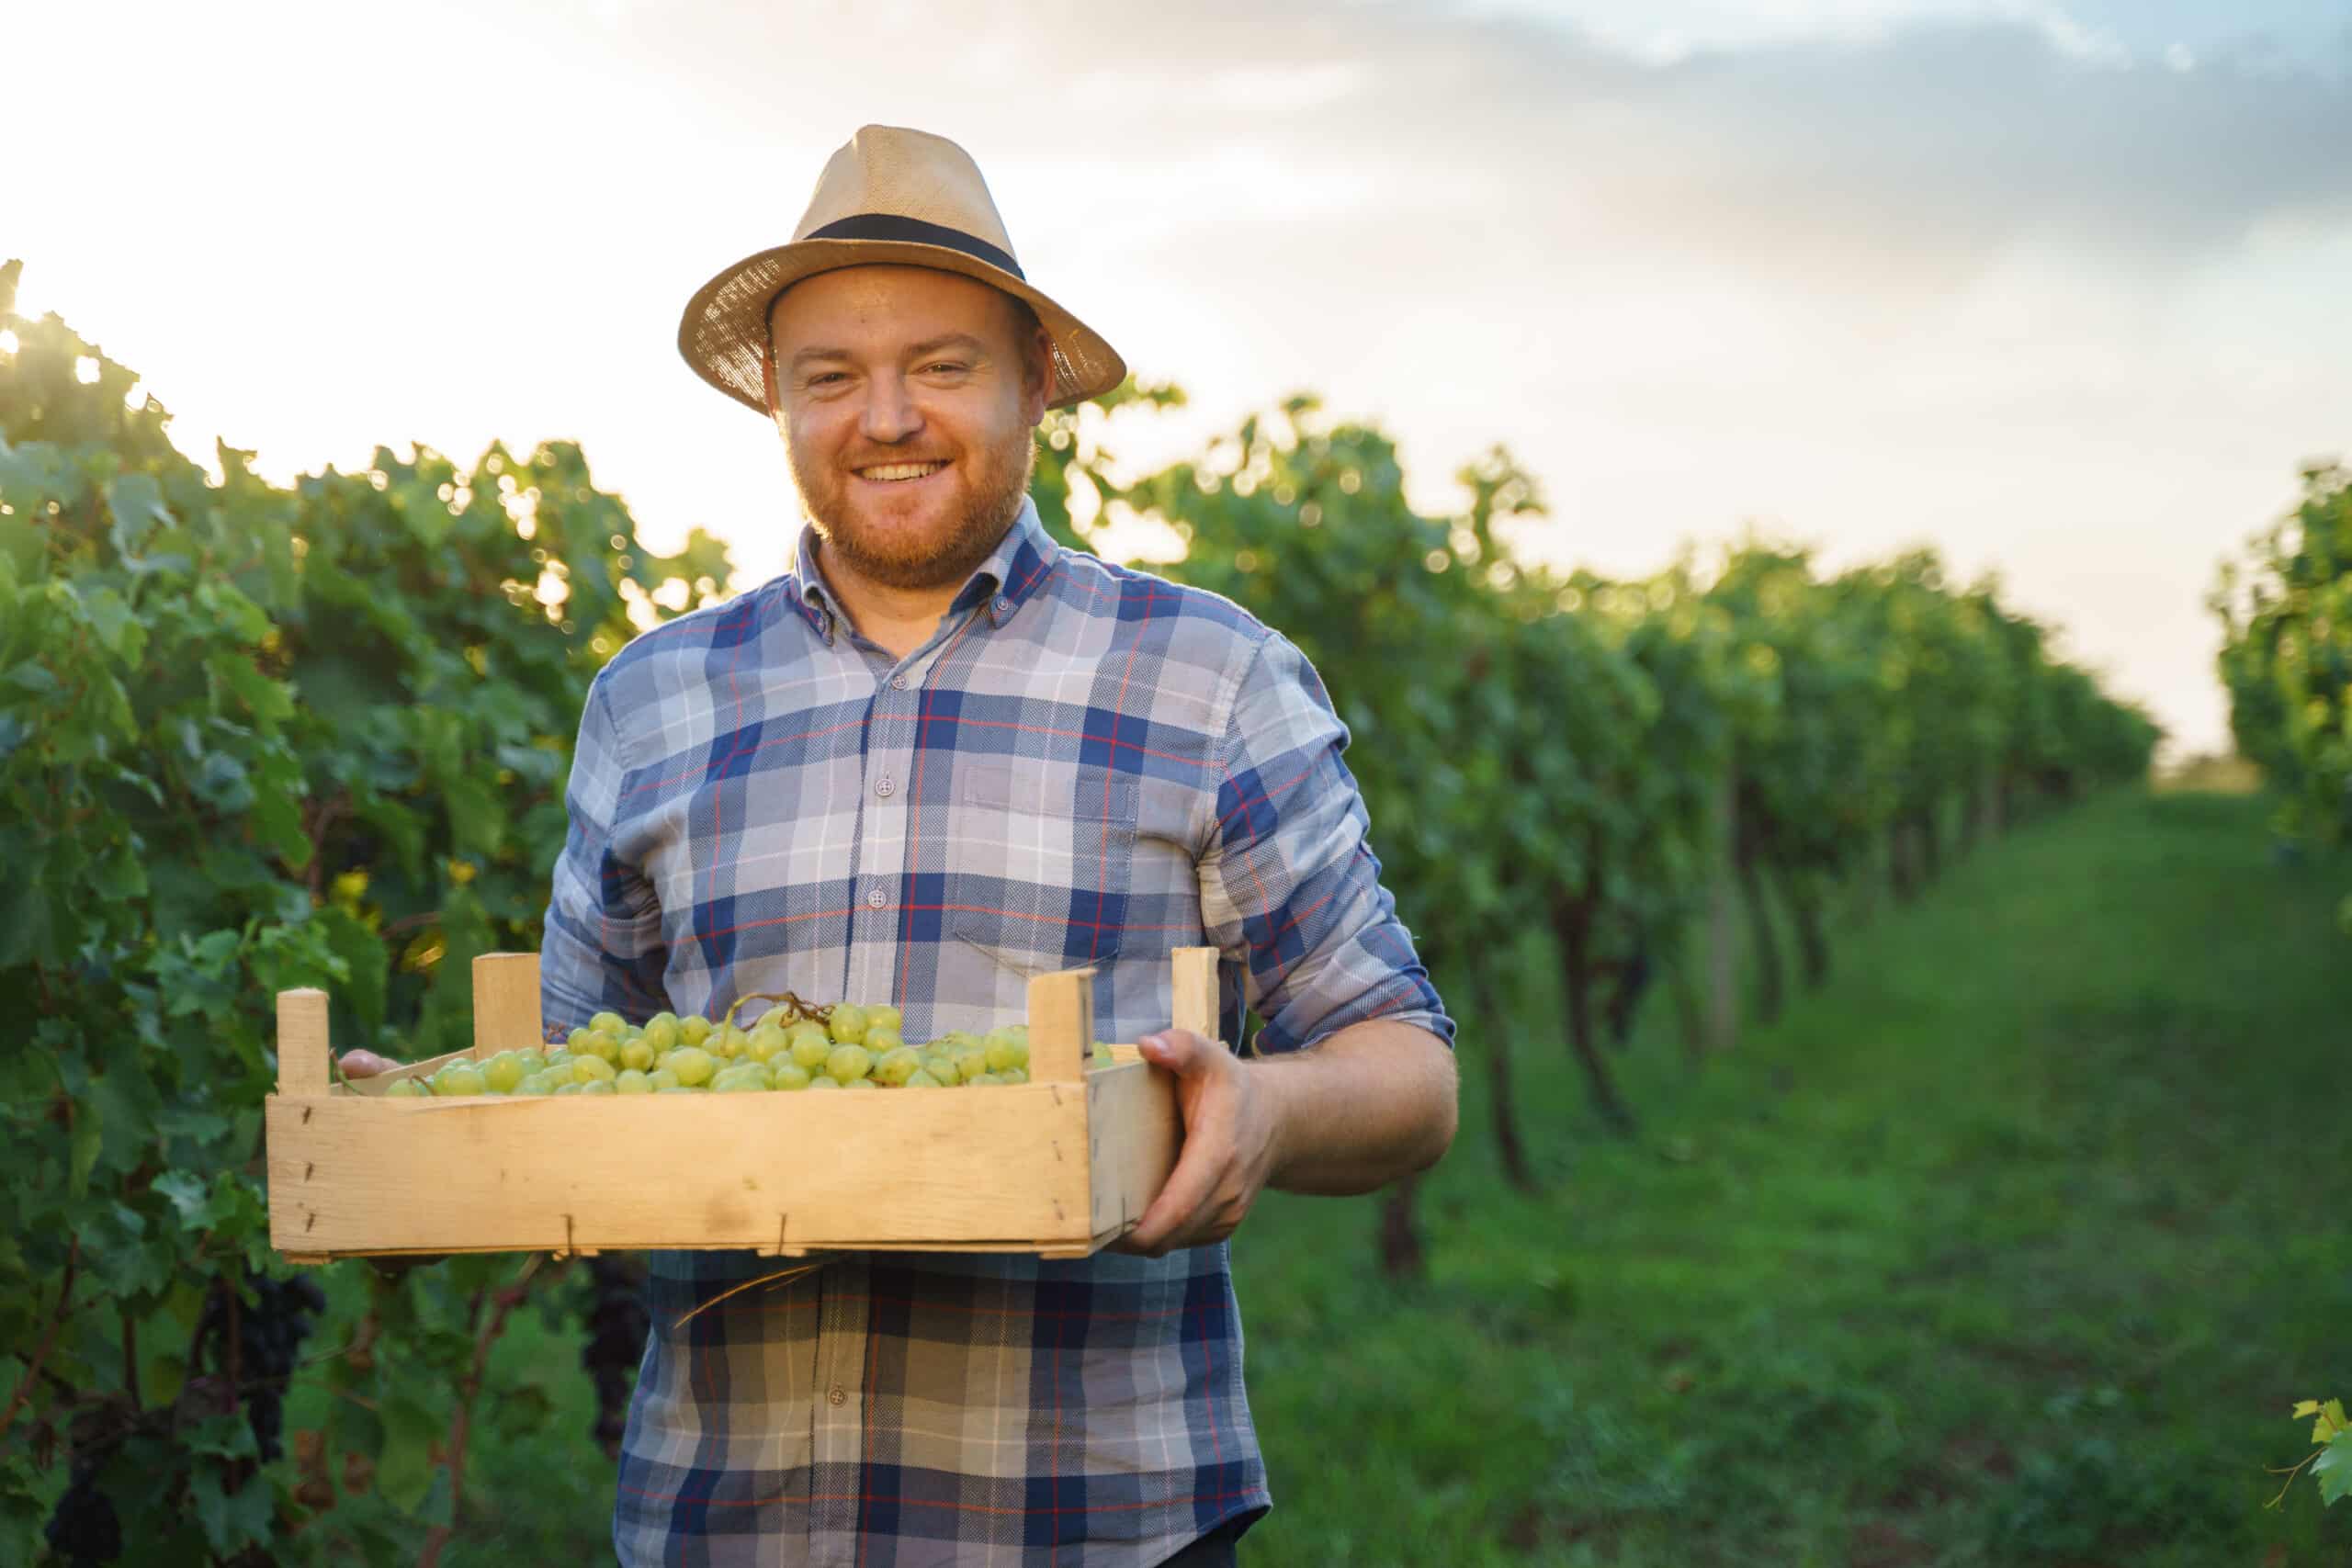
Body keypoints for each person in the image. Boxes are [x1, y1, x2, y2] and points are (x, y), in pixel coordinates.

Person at [345, 124, 1457, 1568]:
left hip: (1088, 1527)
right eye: (830, 377)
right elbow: (581, 1075)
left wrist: (1263, 1109)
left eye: (940, 365)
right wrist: (430, 1132)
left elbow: (1407, 1071)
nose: (885, 419)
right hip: (719, 1523)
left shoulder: (1208, 678)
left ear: (1034, 380)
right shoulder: (650, 702)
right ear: (777, 397)